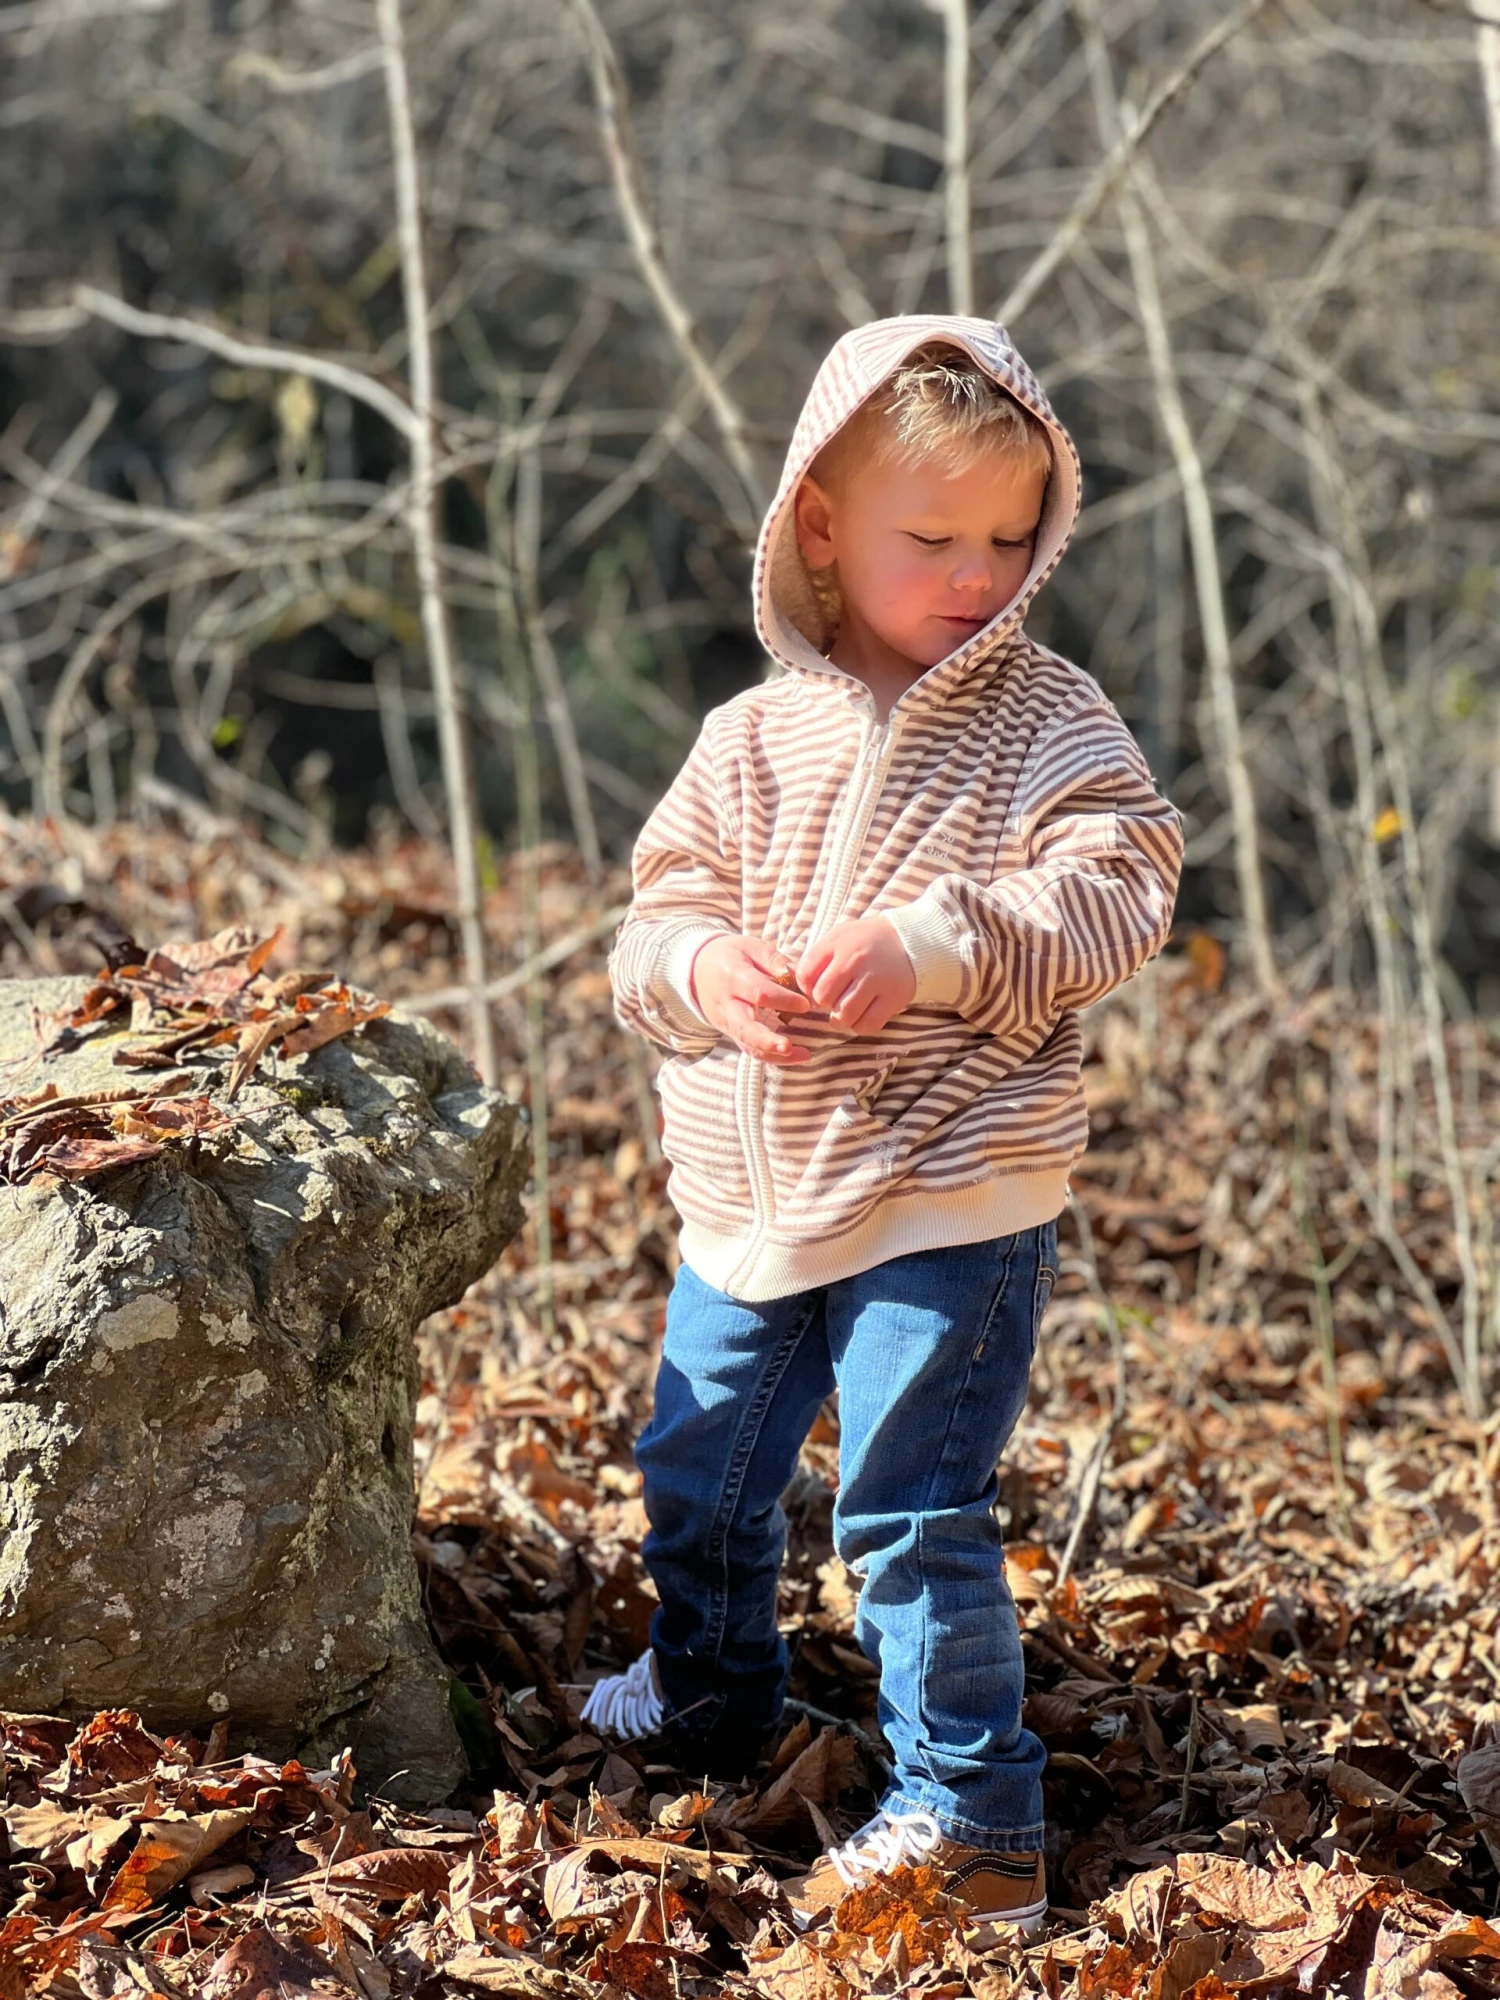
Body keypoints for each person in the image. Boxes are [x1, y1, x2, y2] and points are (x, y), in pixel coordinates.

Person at [594, 314, 1185, 1929]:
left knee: (911, 1510)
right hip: (756, 1193)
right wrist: (707, 971)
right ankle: (714, 1690)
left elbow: (1123, 887)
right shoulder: (747, 739)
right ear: (821, 526)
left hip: (951, 1184)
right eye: (932, 540)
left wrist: (932, 948)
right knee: (697, 1466)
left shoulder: (1047, 717)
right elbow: (650, 929)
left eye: (1010, 537)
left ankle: (973, 1824)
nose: (978, 575)